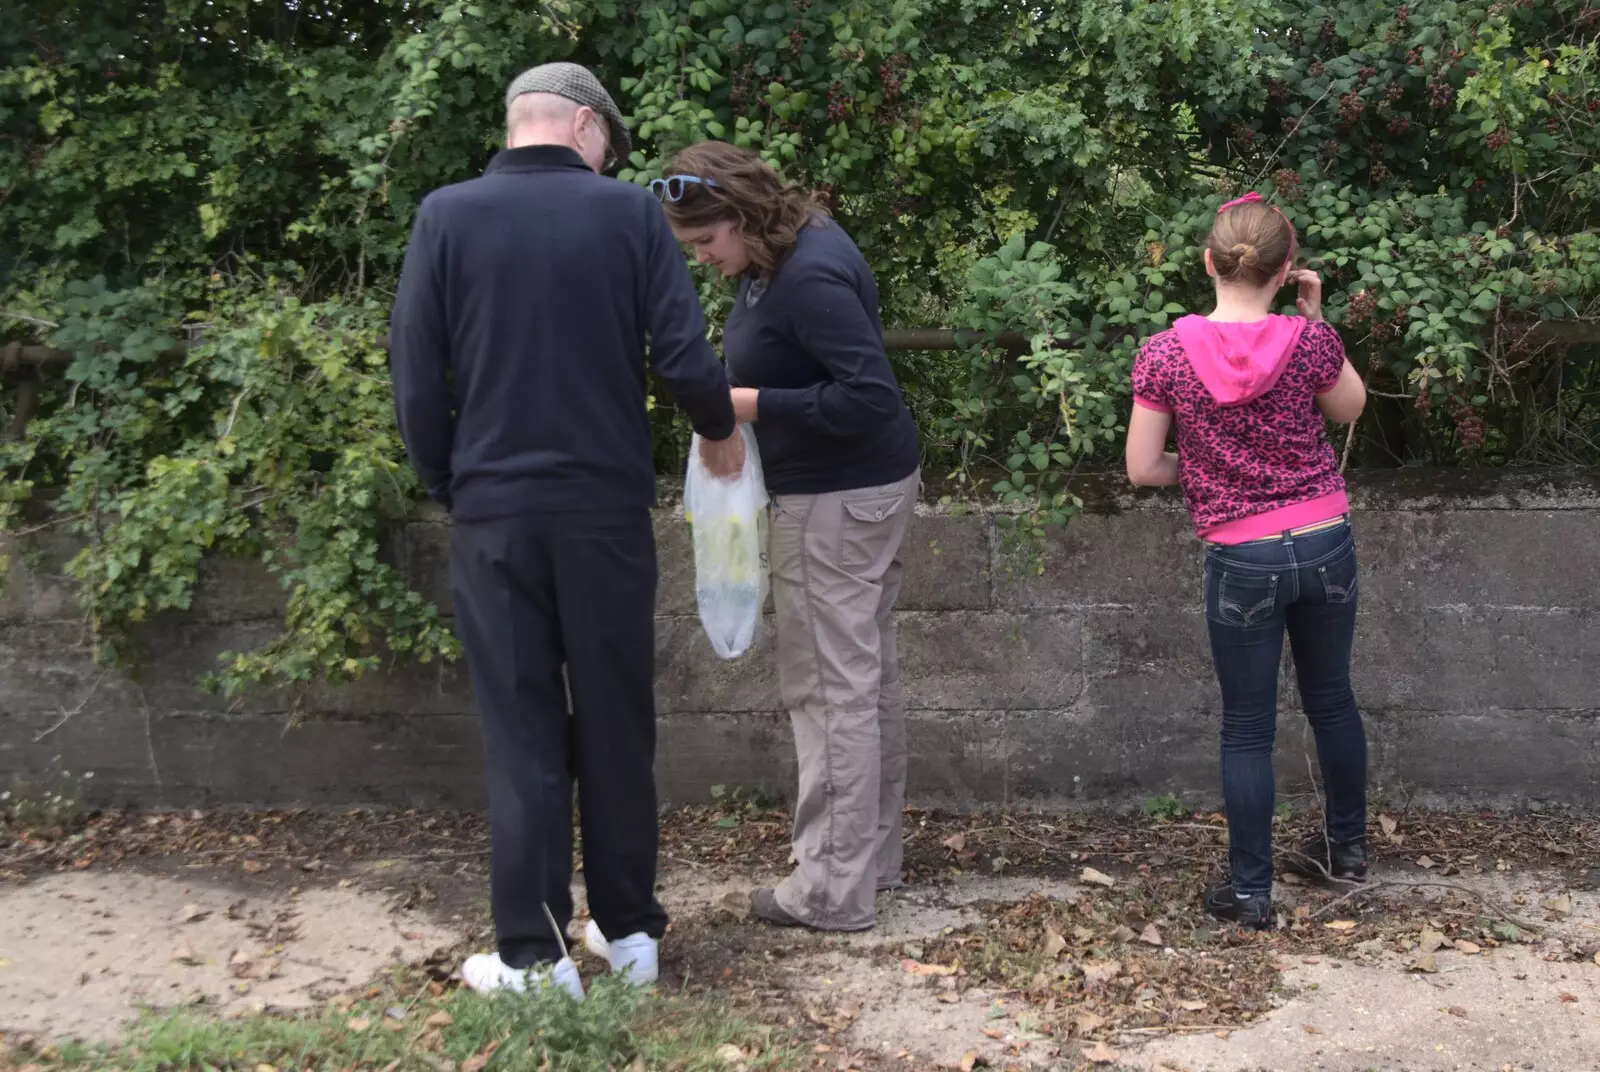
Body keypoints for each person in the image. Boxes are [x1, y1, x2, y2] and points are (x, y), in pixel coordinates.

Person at [389, 63, 745, 998]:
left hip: (495, 515)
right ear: (585, 126)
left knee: (524, 734)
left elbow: (418, 378)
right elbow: (681, 355)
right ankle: (629, 937)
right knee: (618, 722)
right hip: (605, 518)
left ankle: (537, 959)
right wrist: (716, 433)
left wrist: (450, 482)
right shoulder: (626, 216)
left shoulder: (446, 217)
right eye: (610, 146)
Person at [654, 141, 922, 933]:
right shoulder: (795, 244)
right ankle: (870, 863)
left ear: (739, 214)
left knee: (830, 689)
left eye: (707, 242)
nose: (704, 259)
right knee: (865, 679)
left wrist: (750, 404)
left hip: (837, 505)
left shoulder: (806, 277)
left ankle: (832, 890)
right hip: (861, 492)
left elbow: (868, 396)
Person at [1123, 191, 1370, 930]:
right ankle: (1348, 851)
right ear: (1287, 268)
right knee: (1331, 700)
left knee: (1247, 727)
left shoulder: (1166, 353)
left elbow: (1141, 468)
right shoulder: (1309, 340)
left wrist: (1205, 473)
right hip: (1325, 539)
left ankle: (1251, 891)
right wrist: (1316, 317)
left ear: (1208, 261)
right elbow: (1351, 408)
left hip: (1242, 556)